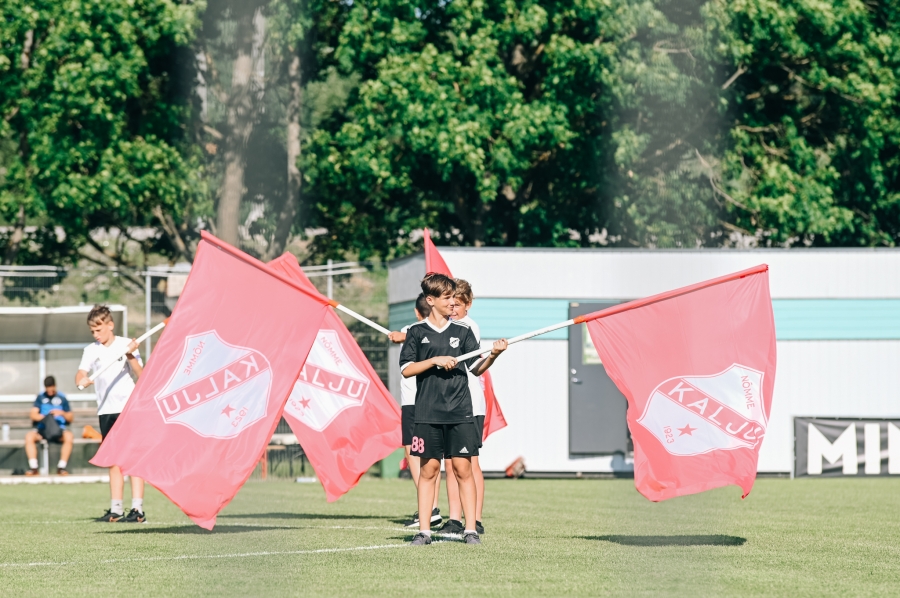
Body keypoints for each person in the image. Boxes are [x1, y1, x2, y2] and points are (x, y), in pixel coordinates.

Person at [399, 273, 507, 546]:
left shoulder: (464, 332)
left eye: (453, 297)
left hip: (460, 412)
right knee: (429, 470)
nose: (451, 302)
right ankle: (424, 532)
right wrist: (434, 360)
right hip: (427, 413)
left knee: (462, 468)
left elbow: (476, 368)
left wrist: (493, 355)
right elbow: (407, 369)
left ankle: (470, 529)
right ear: (431, 300)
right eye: (446, 297)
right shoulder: (416, 332)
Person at [75, 305, 146, 523]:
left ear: (110, 325)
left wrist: (131, 354)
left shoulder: (127, 344)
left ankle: (138, 510)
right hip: (106, 410)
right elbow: (81, 374)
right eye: (93, 331)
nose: (96, 335)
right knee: (113, 459)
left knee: (133, 457)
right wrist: (82, 381)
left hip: (128, 407)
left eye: (99, 330)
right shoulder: (91, 350)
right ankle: (116, 509)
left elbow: (141, 375)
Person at [389, 293, 442, 528]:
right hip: (430, 401)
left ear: (416, 311)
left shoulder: (414, 329)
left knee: (414, 452)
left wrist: (402, 335)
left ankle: (428, 508)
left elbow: (413, 334)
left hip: (413, 401)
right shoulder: (438, 331)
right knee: (430, 454)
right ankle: (432, 507)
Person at [441, 279, 487, 536]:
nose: (452, 309)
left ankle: (475, 518)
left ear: (468, 305)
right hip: (449, 403)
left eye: (457, 304)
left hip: (469, 403)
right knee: (451, 463)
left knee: (470, 463)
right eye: (449, 303)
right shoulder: (446, 324)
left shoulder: (467, 327)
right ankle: (454, 518)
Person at [25, 376, 74, 476]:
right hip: (43, 429)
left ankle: (61, 467)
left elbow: (70, 417)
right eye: (47, 388)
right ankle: (33, 468)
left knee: (69, 437)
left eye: (51, 388)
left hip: (58, 430)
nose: (50, 391)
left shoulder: (62, 398)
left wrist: (61, 413)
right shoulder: (40, 397)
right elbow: (33, 414)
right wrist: (45, 417)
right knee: (29, 437)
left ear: (55, 386)